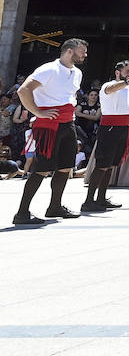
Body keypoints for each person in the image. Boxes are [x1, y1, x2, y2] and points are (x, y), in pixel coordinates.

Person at [11, 38, 88, 224]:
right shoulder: (48, 69)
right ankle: (22, 213)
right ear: (70, 51)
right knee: (41, 168)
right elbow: (24, 90)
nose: (85, 54)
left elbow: (69, 97)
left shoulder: (76, 73)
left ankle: (55, 207)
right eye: (82, 51)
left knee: (65, 167)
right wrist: (37, 112)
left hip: (68, 123)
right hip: (48, 125)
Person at [82, 60, 129, 212]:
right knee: (102, 165)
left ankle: (101, 199)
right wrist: (127, 81)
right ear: (117, 72)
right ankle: (88, 201)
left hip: (122, 128)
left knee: (111, 166)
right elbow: (111, 89)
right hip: (109, 128)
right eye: (127, 71)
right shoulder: (109, 85)